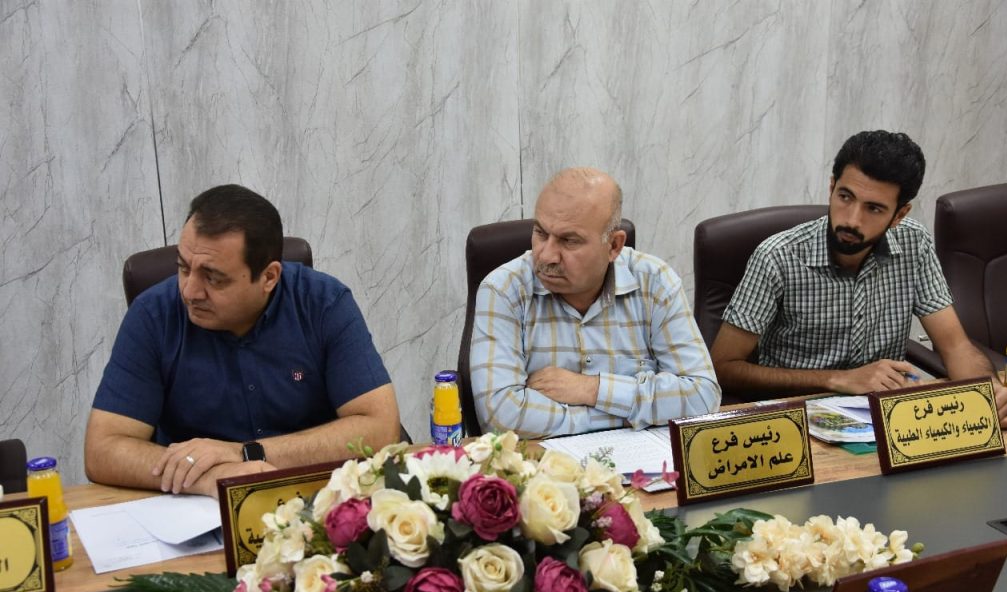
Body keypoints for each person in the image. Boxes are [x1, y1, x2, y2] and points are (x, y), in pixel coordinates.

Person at [85, 185, 401, 497]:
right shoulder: (153, 315)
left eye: (213, 278)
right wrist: (212, 477)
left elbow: (380, 427)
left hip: (314, 500)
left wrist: (244, 453)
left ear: (269, 277)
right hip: (199, 507)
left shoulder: (323, 304)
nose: (190, 291)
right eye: (183, 268)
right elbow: (103, 449)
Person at [711, 130, 1007, 431]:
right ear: (832, 187)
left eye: (874, 208)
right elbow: (724, 367)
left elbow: (955, 346)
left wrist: (991, 393)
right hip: (794, 420)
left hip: (885, 422)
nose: (852, 219)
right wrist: (838, 379)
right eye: (845, 197)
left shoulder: (914, 244)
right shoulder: (777, 256)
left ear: (899, 215)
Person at [470, 167, 721, 438]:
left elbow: (702, 396)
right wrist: (625, 413)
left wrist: (591, 389)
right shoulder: (504, 289)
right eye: (541, 233)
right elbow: (500, 417)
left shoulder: (655, 282)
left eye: (569, 241)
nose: (546, 255)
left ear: (613, 246)